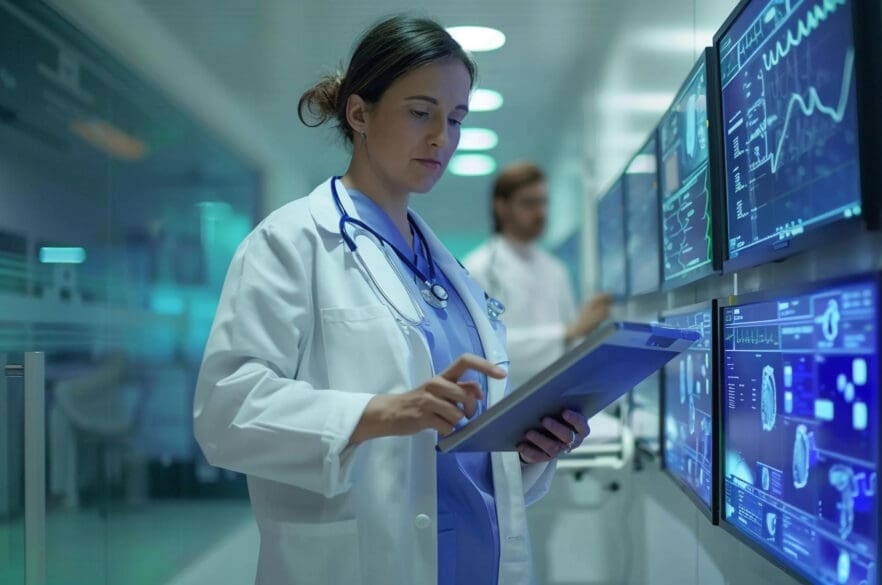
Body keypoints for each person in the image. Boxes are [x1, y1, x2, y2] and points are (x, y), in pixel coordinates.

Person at [193, 16, 591, 585]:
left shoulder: (449, 271)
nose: (441, 138)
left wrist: (526, 452)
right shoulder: (291, 242)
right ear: (359, 114)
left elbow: (461, 450)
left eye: (455, 119)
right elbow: (225, 413)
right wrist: (380, 413)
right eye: (419, 111)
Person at [463, 162, 613, 386]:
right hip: (504, 399)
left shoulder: (556, 270)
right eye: (529, 203)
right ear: (501, 207)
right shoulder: (478, 269)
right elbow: (486, 347)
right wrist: (567, 333)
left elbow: (572, 344)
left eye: (543, 202)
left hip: (555, 396)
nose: (540, 212)